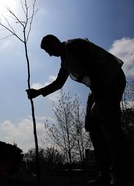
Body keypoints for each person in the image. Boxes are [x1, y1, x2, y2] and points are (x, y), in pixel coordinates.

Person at [26, 35, 128, 186]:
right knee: (93, 126)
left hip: (111, 80)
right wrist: (38, 92)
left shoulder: (75, 46)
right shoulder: (65, 61)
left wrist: (99, 101)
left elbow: (94, 70)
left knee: (111, 126)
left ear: (54, 43)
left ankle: (120, 176)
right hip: (99, 87)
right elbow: (59, 83)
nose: (49, 54)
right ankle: (104, 175)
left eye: (48, 50)